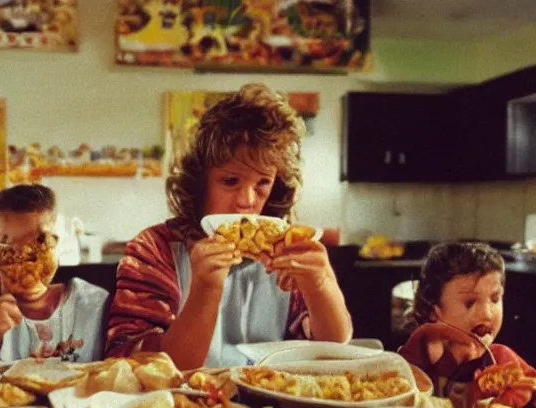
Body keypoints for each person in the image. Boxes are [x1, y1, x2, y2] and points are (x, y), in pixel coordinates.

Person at [106, 84, 352, 370]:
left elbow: (333, 352)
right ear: (200, 183)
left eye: (263, 183)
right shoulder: (154, 250)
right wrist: (205, 289)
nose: (246, 202)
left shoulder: (289, 249)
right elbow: (132, 366)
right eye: (230, 181)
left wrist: (321, 285)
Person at [0, 184, 109, 363]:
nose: (24, 264)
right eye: (9, 251)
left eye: (37, 248)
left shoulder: (94, 304)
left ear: (56, 247)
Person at [399, 242, 536, 408]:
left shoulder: (501, 358)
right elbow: (398, 375)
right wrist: (429, 332)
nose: (487, 314)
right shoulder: (427, 351)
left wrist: (528, 393)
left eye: (495, 299)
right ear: (434, 310)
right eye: (470, 303)